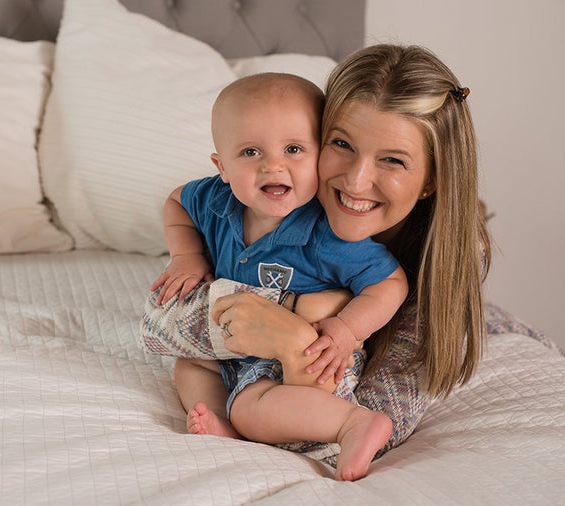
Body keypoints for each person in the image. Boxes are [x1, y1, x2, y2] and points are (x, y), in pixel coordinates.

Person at [207, 43, 491, 467]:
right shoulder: (278, 198)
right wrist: (303, 306)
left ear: (432, 179)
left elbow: (335, 439)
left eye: (393, 160)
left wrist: (291, 329)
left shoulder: (443, 268)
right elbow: (161, 323)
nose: (356, 182)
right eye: (341, 143)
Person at [149, 72, 408, 481]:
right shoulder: (216, 200)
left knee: (254, 406)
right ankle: (224, 426)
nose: (273, 165)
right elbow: (176, 202)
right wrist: (186, 255)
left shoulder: (326, 233)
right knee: (190, 365)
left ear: (321, 157)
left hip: (306, 357)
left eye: (293, 149)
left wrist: (344, 329)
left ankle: (352, 423)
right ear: (222, 166)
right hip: (237, 345)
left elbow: (390, 282)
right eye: (251, 151)